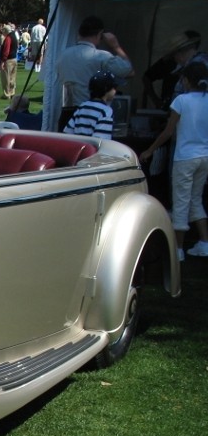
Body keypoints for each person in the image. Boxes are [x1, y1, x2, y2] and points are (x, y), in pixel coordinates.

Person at [139, 61, 208, 258]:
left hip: (185, 157)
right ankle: (204, 243)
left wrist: (150, 150)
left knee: (181, 202)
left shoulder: (181, 101)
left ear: (186, 80)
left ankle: (178, 250)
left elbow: (168, 131)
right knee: (196, 199)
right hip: (204, 156)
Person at [55, 15, 132, 130]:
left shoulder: (62, 55)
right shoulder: (101, 56)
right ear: (100, 34)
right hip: (89, 115)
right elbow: (128, 69)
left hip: (66, 113)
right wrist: (116, 47)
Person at [64, 71, 118, 139]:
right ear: (106, 89)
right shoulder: (106, 111)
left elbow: (68, 132)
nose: (115, 91)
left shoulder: (82, 107)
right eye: (114, 87)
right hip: (92, 149)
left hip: (79, 147)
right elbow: (101, 141)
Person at [0, 24, 19, 98]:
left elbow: (6, 50)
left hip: (8, 60)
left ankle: (7, 93)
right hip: (14, 59)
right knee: (12, 78)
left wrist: (3, 60)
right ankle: (12, 92)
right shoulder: (14, 36)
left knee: (6, 77)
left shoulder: (8, 38)